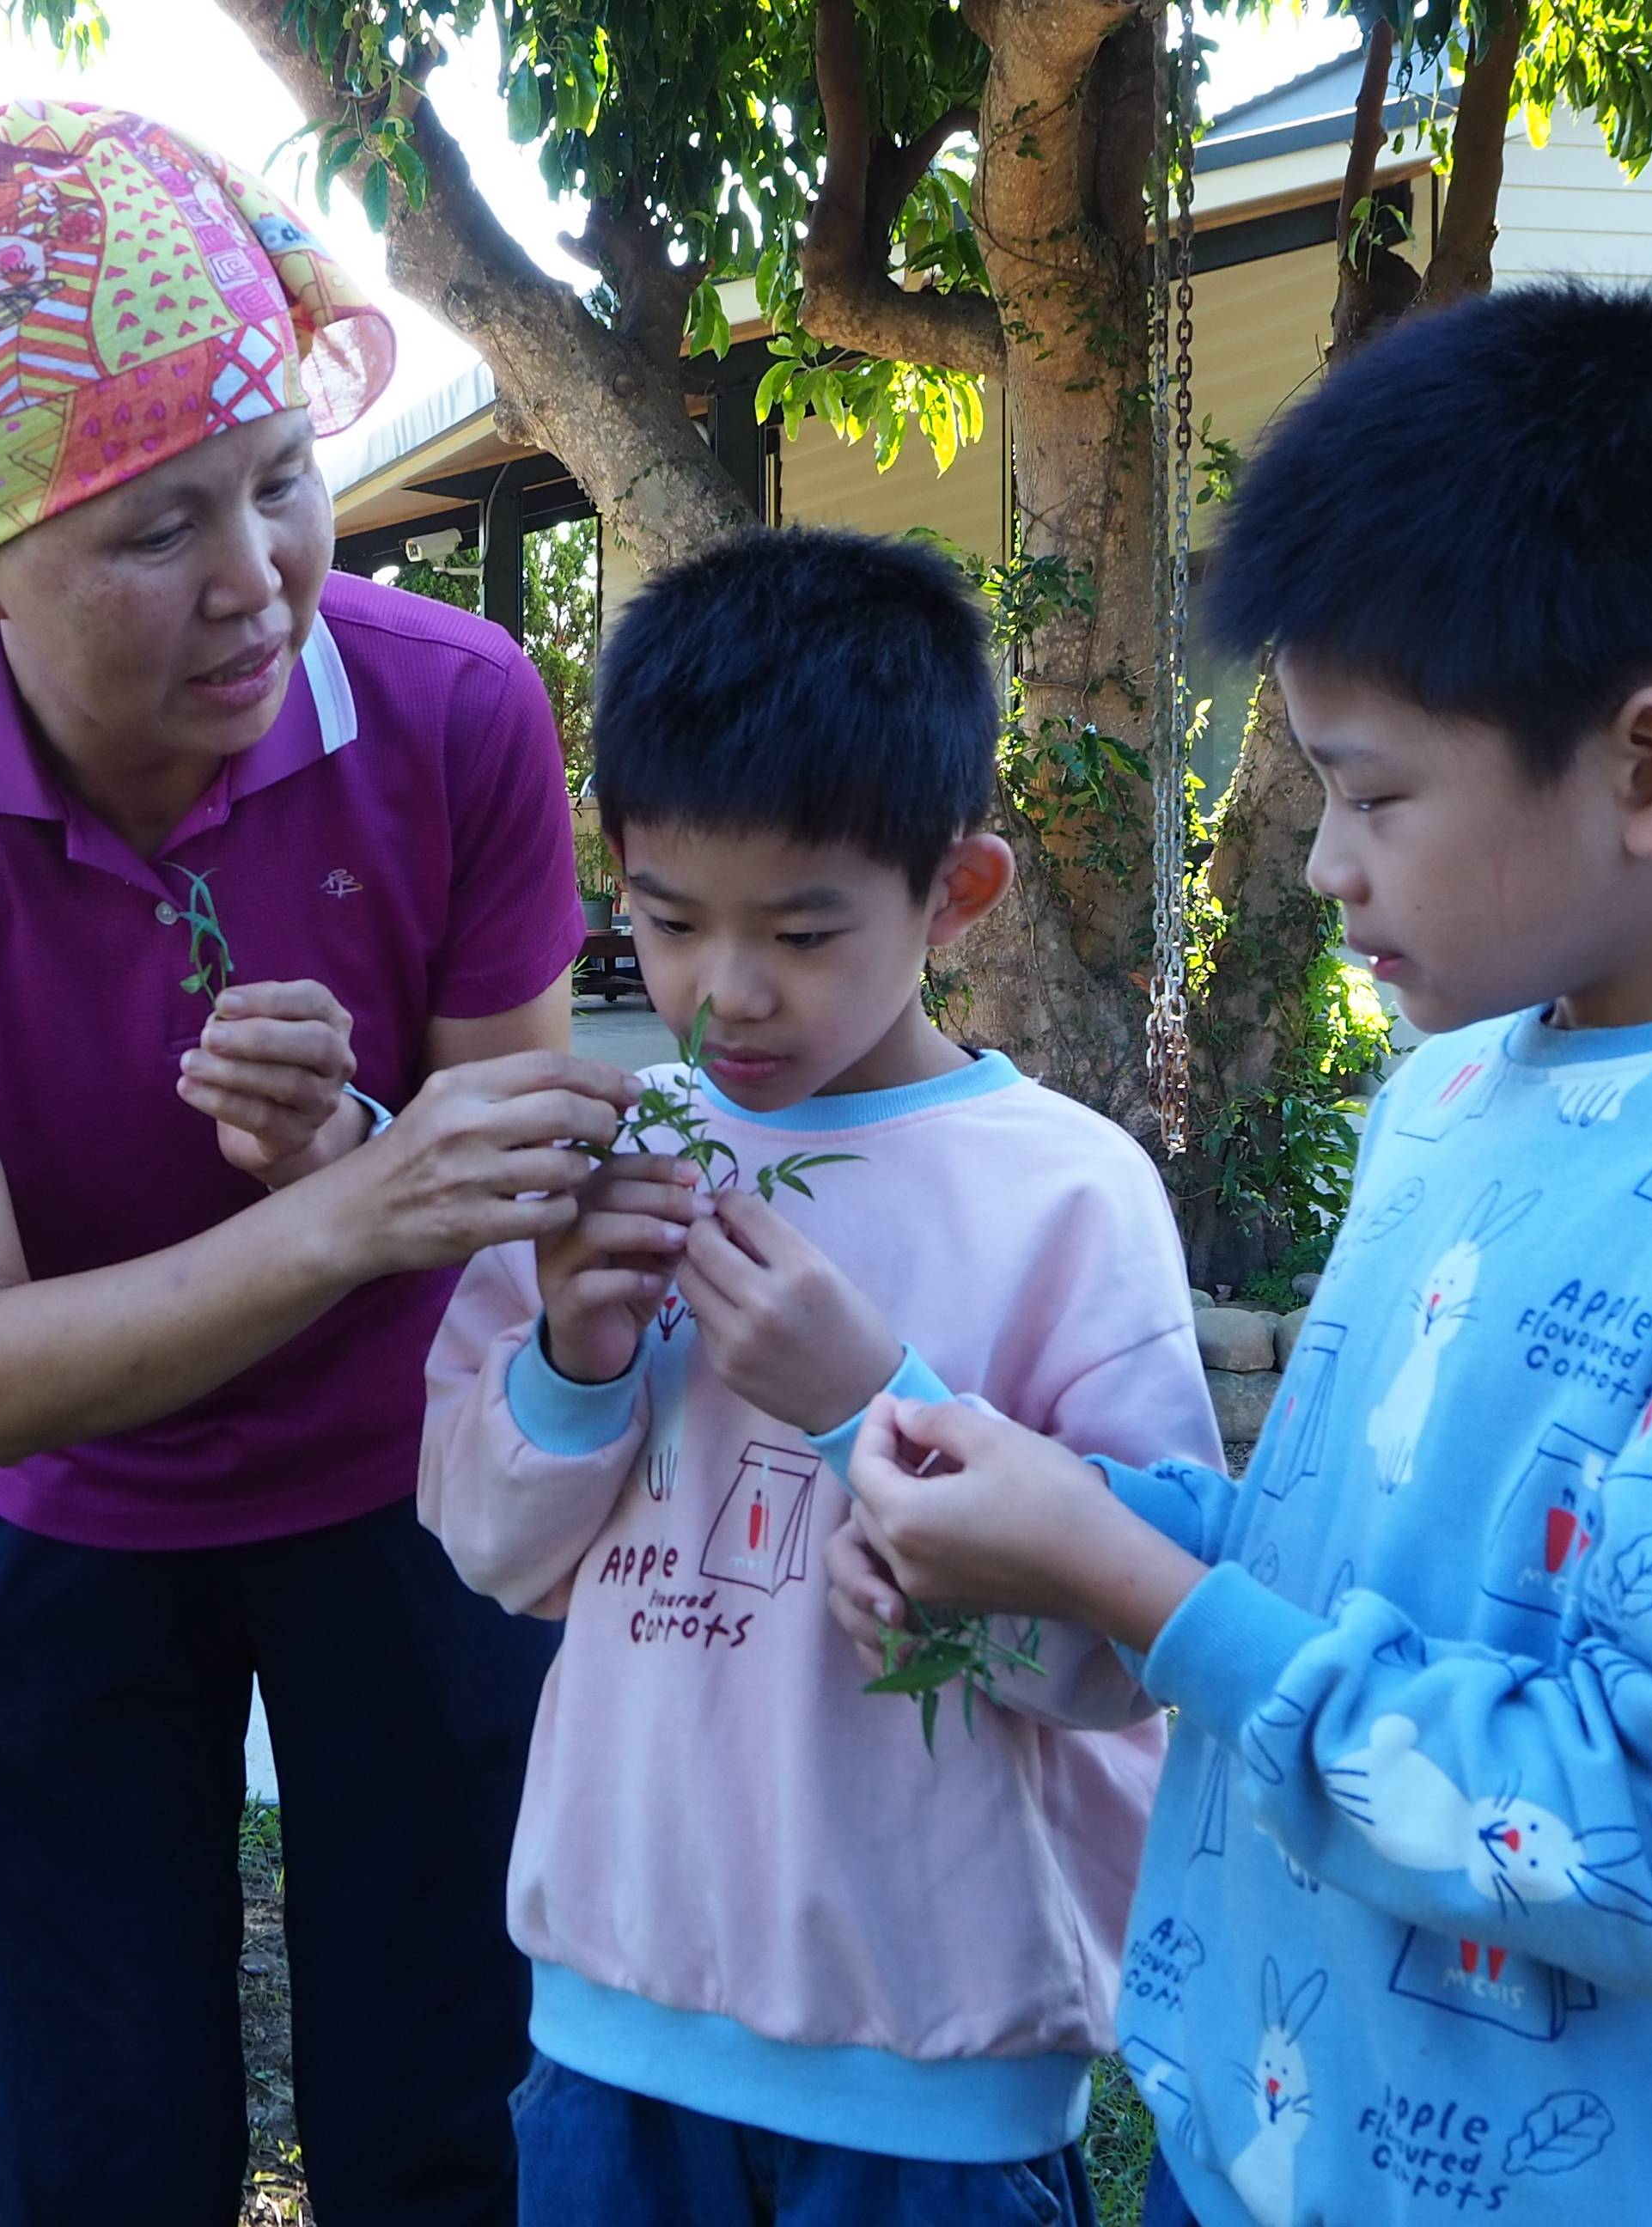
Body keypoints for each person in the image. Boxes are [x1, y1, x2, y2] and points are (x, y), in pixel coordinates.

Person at [826, 264, 1652, 2227]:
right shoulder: (1456, 1097)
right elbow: (1329, 1585)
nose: (1322, 859)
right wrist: (1047, 1551)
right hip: (1254, 2162)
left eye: (1372, 790)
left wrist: (1136, 1579)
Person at [0, 101, 637, 2227]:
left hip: (415, 1491)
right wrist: (352, 1202)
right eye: (153, 534)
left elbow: (494, 1200)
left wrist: (351, 1154)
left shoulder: (458, 707)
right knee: (99, 2144)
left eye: (283, 485)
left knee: (451, 2119)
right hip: (55, 1526)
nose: (256, 588)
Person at [419, 528, 1219, 2227]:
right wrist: (573, 1349)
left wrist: (870, 1403)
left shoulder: (1067, 1198)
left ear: (957, 891)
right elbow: (492, 1549)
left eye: (802, 927)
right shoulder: (609, 1155)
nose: (730, 992)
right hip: (614, 2033)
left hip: (936, 2068)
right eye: (671, 921)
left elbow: (1128, 1658)